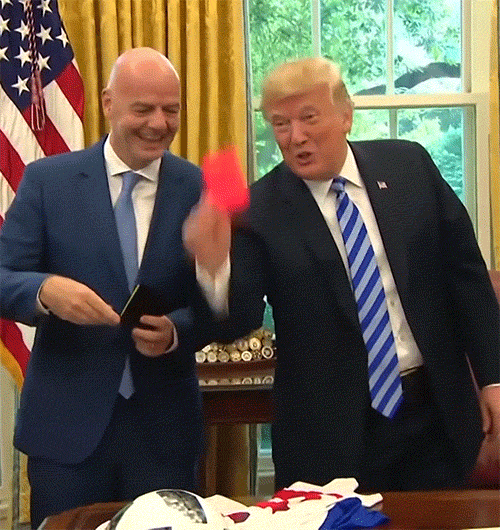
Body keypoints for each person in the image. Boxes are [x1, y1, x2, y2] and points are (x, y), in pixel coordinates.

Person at [184, 57, 500, 493]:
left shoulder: (408, 166)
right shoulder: (261, 209)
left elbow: (466, 277)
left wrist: (493, 377)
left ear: (346, 115)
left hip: (435, 417)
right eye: (280, 124)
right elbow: (237, 320)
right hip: (329, 437)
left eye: (309, 118)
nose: (296, 137)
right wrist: (213, 265)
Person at [0, 47, 216, 527]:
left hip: (164, 435)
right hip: (66, 435)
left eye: (171, 109)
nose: (158, 123)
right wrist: (45, 290)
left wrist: (177, 330)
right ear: (107, 103)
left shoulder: (198, 187)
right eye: (143, 109)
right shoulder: (47, 181)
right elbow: (3, 275)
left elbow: (221, 301)